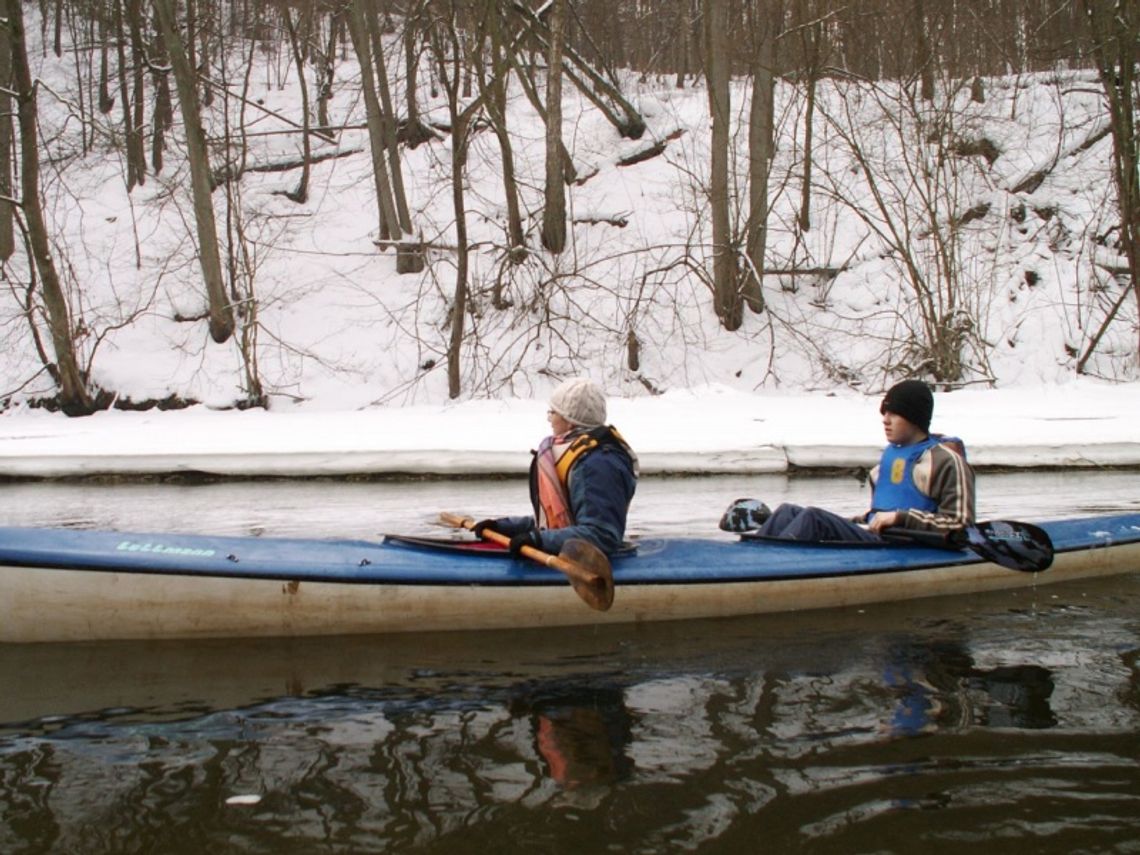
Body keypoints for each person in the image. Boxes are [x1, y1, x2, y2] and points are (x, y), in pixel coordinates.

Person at [754, 379, 974, 542]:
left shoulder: (946, 462)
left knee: (814, 518)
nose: (885, 421)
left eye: (894, 414)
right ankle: (751, 556)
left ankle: (767, 566)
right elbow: (877, 515)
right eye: (884, 414)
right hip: (878, 541)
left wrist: (900, 517)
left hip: (908, 547)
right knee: (787, 512)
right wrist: (850, 522)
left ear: (915, 418)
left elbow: (961, 526)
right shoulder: (884, 464)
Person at [474, 378, 639, 557]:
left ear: (570, 421)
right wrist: (502, 527)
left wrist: (539, 540)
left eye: (553, 412)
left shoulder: (597, 464)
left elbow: (602, 536)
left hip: (592, 564)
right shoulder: (579, 456)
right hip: (570, 552)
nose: (549, 419)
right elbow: (554, 522)